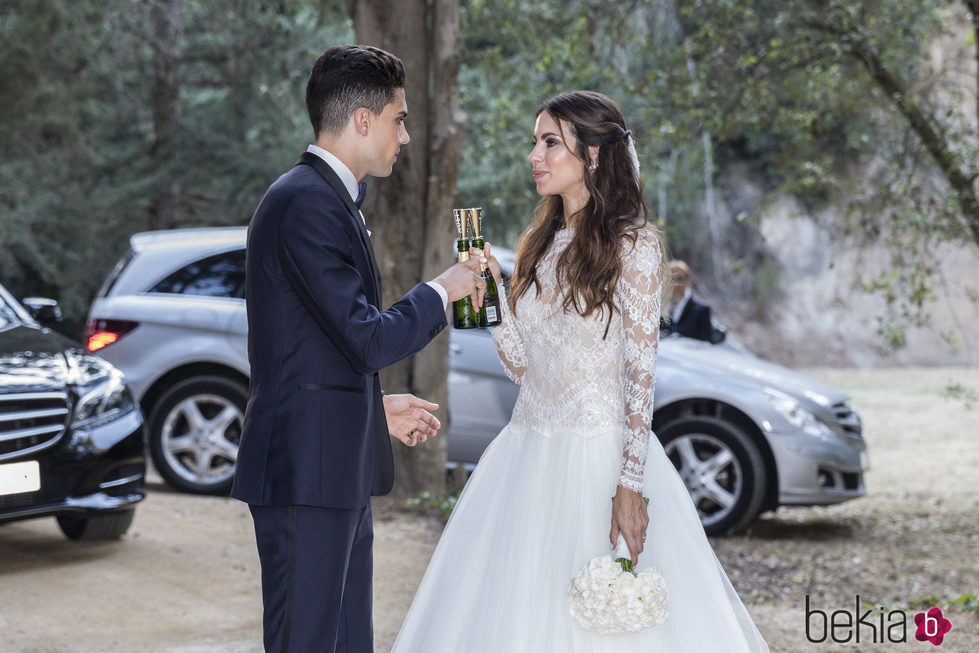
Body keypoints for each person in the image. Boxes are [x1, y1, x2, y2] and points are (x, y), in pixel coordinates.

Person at [391, 91, 769, 652]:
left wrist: (630, 485)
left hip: (599, 459)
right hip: (523, 457)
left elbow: (642, 376)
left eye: (549, 142)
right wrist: (493, 295)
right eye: (535, 141)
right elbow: (523, 368)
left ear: (592, 155)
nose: (533, 155)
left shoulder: (635, 246)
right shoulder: (542, 244)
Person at [231, 45, 487, 653]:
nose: (406, 135)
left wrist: (373, 410)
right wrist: (442, 290)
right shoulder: (304, 202)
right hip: (306, 474)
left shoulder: (324, 199)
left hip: (332, 466)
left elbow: (317, 345)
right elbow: (366, 336)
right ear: (364, 120)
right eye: (400, 118)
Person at [660, 259, 714, 341]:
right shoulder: (658, 308)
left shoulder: (701, 311)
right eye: (671, 279)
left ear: (688, 281)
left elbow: (706, 344)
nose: (676, 283)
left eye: (680, 279)